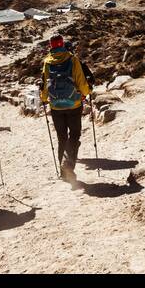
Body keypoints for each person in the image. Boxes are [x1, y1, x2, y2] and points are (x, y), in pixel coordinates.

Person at [40, 34, 92, 181]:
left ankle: (64, 174)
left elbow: (44, 83)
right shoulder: (72, 59)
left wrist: (44, 99)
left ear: (50, 46)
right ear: (62, 44)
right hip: (74, 104)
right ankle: (68, 164)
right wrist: (87, 92)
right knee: (74, 135)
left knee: (61, 137)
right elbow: (81, 81)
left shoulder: (47, 62)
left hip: (55, 106)